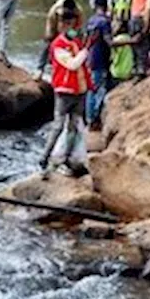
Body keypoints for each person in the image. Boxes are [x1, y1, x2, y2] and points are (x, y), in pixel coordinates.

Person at [41, 11, 91, 177]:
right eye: (69, 25)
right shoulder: (58, 46)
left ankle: (66, 158)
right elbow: (72, 64)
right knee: (58, 126)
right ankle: (45, 158)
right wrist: (85, 51)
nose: (73, 28)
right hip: (64, 92)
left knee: (74, 126)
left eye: (74, 24)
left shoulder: (75, 42)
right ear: (62, 25)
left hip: (79, 91)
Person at [85, 0, 114, 128]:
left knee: (91, 89)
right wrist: (131, 41)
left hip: (90, 58)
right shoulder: (104, 22)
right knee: (100, 89)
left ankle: (89, 118)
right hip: (101, 59)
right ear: (106, 7)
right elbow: (109, 42)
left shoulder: (90, 20)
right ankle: (95, 118)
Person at [38, 0, 78, 77]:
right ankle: (40, 69)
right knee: (48, 43)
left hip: (71, 27)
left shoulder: (78, 12)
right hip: (54, 26)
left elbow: (77, 28)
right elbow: (53, 27)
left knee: (75, 43)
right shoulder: (54, 11)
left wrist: (72, 36)